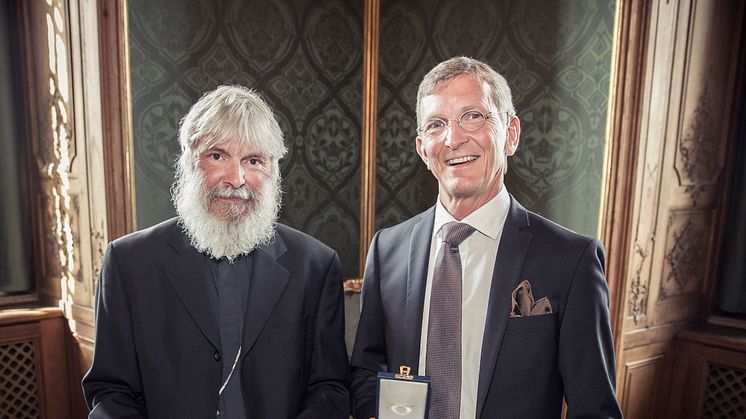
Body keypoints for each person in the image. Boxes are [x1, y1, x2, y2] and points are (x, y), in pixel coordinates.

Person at [350, 57, 623, 419]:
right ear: (421, 149)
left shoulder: (570, 259)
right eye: (436, 124)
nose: (453, 138)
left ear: (510, 134)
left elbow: (595, 409)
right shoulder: (388, 249)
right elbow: (368, 370)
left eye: (473, 116)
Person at [83, 85, 350, 418]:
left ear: (273, 170)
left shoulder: (316, 264)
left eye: (254, 160)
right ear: (190, 160)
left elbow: (330, 389)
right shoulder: (128, 262)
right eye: (218, 156)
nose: (236, 178)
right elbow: (110, 391)